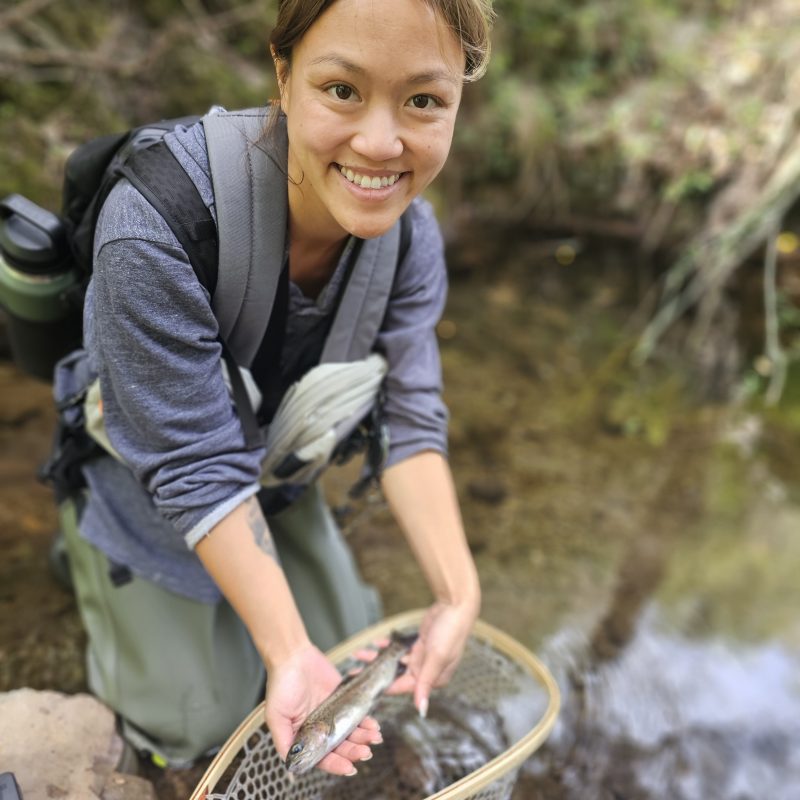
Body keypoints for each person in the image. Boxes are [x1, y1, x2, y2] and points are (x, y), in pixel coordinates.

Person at [56, 0, 494, 777]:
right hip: (151, 474)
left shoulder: (413, 239)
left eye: (424, 100)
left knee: (357, 648)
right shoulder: (156, 222)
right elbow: (191, 460)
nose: (380, 143)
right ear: (283, 75)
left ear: (459, 99)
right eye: (342, 90)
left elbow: (409, 416)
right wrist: (286, 649)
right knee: (200, 722)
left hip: (270, 468)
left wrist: (459, 593)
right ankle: (82, 542)